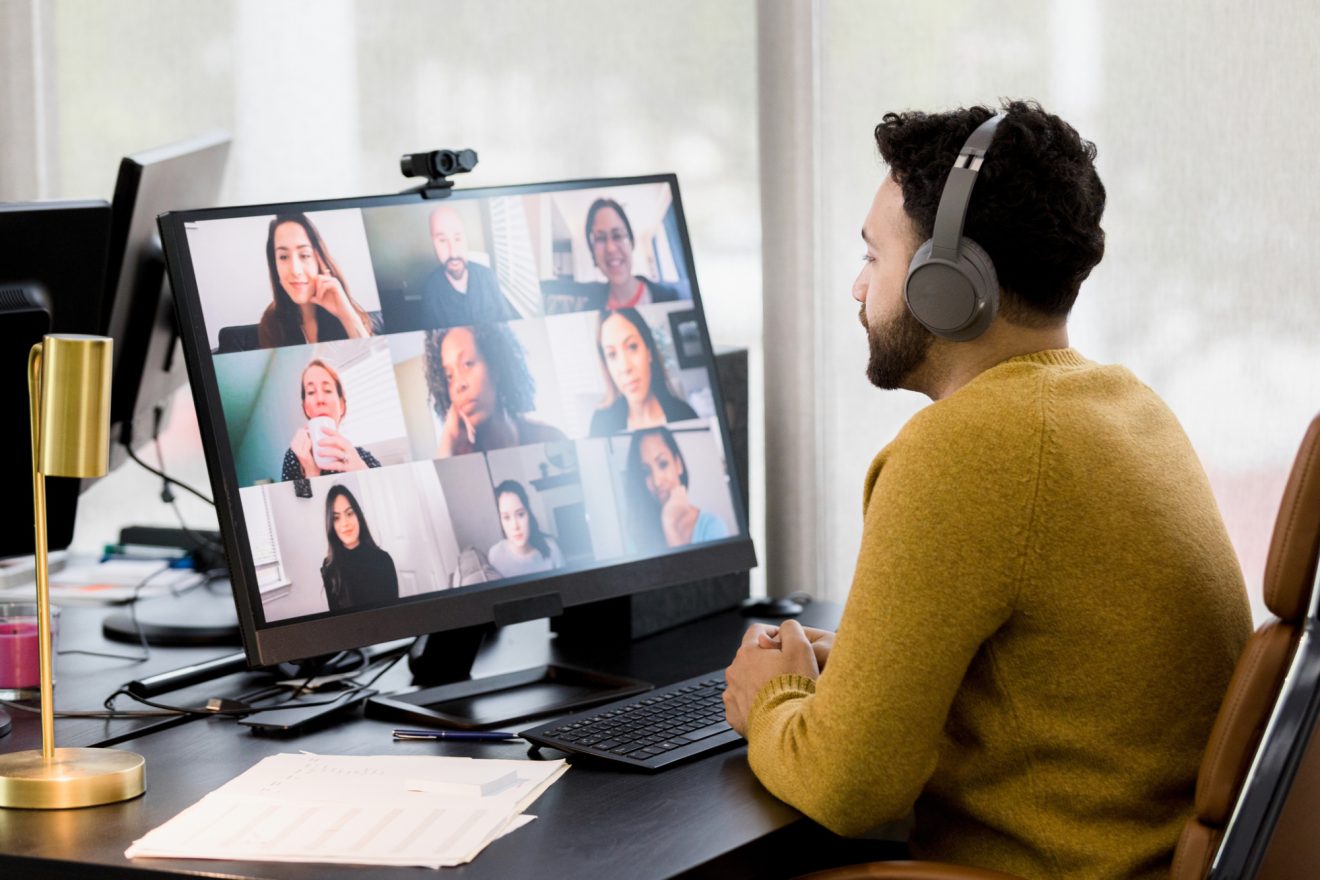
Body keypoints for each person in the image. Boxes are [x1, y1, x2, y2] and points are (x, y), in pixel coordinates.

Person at [721, 101, 1252, 880]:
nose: (857, 285)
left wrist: (774, 701)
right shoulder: (1127, 409)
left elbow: (848, 788)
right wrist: (870, 667)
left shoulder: (965, 448)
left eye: (875, 255)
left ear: (947, 282)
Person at [424, 323, 567, 457]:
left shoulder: (550, 439)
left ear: (495, 366)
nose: (458, 385)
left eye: (467, 364)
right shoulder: (457, 456)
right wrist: (448, 442)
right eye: (449, 376)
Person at [257, 212, 373, 348]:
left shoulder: (347, 308)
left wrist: (346, 316)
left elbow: (372, 361)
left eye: (305, 255)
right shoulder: (271, 323)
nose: (295, 270)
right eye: (283, 257)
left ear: (320, 260)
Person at [590, 308, 697, 436]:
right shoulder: (601, 424)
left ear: (649, 352)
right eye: (612, 355)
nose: (625, 367)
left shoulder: (684, 414)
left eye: (632, 346)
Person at [624, 426, 729, 553]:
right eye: (645, 472)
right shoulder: (639, 531)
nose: (657, 481)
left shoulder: (712, 526)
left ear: (678, 464)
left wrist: (670, 525)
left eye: (663, 464)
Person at [282, 358, 382, 482]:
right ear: (306, 408)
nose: (320, 399)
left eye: (328, 390)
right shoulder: (294, 457)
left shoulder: (363, 458)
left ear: (341, 405)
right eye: (311, 392)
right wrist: (311, 472)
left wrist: (363, 473)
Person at [422, 205, 519, 327]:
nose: (453, 253)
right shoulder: (430, 290)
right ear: (433, 244)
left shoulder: (489, 276)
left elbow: (508, 322)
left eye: (457, 238)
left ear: (466, 239)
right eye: (442, 240)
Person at [584, 198, 681, 309]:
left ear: (631, 242)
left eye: (617, 236)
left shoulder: (670, 298)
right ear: (592, 251)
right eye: (600, 238)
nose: (611, 248)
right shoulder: (588, 310)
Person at [320, 484, 398, 612]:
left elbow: (392, 613)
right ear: (331, 525)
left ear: (358, 516)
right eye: (336, 518)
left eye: (349, 513)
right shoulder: (329, 565)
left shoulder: (383, 559)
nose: (345, 523)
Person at [487, 480, 565, 578]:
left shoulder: (552, 548)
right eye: (506, 518)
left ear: (529, 514)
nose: (515, 526)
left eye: (520, 514)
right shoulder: (495, 555)